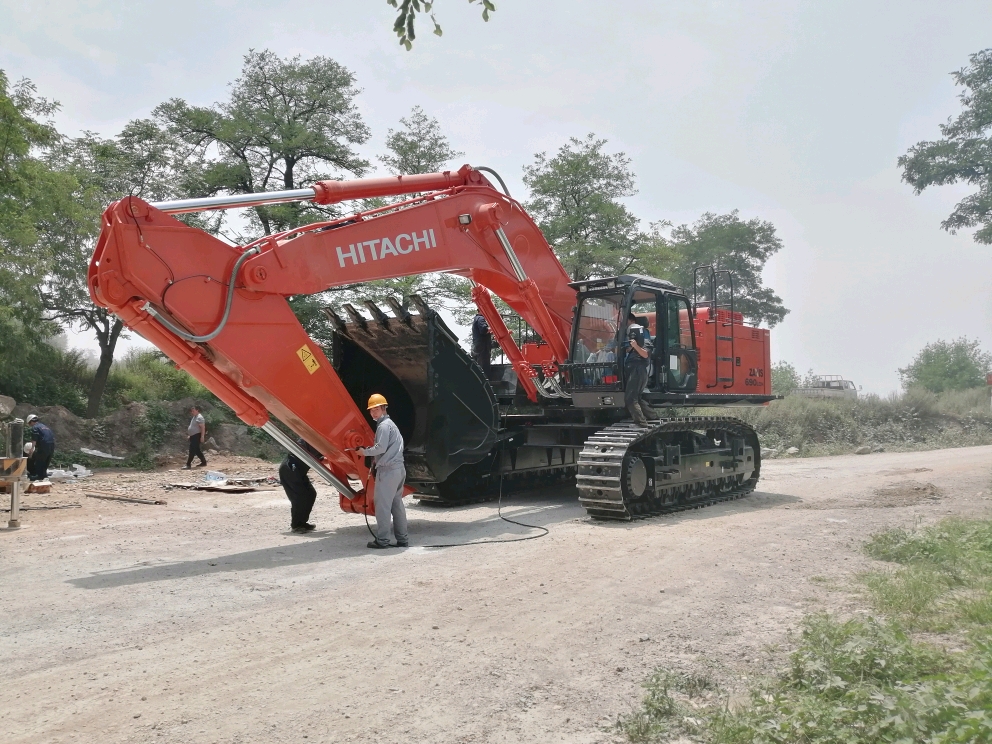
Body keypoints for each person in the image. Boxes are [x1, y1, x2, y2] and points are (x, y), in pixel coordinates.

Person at [357, 393, 408, 549]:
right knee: (396, 505)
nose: (373, 413)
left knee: (383, 507)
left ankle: (383, 540)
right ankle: (402, 539)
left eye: (376, 409)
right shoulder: (391, 425)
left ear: (383, 408)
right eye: (371, 410)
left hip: (388, 471)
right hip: (399, 470)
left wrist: (364, 452)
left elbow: (381, 448)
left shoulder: (384, 426)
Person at [279, 439, 322, 534]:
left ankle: (302, 522)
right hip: (291, 468)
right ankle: (296, 525)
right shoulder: (313, 439)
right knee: (300, 497)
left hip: (297, 470)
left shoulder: (315, 440)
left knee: (310, 494)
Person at [624, 313, 659, 426]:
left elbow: (645, 354)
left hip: (638, 370)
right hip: (634, 370)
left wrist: (635, 346)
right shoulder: (635, 343)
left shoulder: (645, 340)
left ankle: (641, 423)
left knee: (630, 398)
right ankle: (653, 417)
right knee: (637, 398)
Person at [25, 413, 55, 481]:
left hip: (44, 445)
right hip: (51, 445)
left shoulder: (35, 428)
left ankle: (39, 477)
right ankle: (44, 475)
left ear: (31, 422)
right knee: (46, 460)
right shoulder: (44, 426)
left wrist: (31, 449)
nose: (30, 425)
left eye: (29, 424)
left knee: (39, 461)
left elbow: (34, 440)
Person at [184, 405, 207, 469]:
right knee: (197, 450)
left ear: (197, 410)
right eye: (191, 411)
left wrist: (202, 436)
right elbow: (194, 427)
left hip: (196, 436)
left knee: (192, 450)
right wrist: (190, 435)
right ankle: (203, 462)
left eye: (193, 411)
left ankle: (188, 464)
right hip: (193, 436)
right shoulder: (195, 417)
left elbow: (202, 427)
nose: (192, 412)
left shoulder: (199, 417)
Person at [471, 312, 494, 378]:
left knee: (479, 366)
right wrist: (495, 328)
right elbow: (484, 330)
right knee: (484, 366)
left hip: (478, 346)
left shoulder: (476, 319)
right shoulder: (481, 318)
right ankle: (486, 381)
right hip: (482, 347)